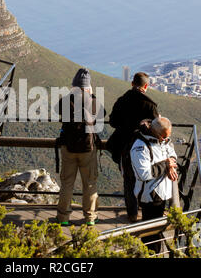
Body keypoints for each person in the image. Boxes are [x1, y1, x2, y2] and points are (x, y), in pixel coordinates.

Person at [106, 72, 159, 222]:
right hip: (143, 149)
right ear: (146, 86)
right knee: (145, 178)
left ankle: (132, 214)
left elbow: (113, 122)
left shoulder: (122, 100)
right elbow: (157, 128)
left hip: (124, 147)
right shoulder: (150, 105)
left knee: (128, 181)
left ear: (132, 83)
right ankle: (147, 215)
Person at [55, 68, 105, 226]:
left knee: (67, 183)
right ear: (88, 86)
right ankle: (90, 218)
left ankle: (63, 218)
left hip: (68, 148)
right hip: (88, 149)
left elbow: (57, 110)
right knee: (89, 184)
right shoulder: (93, 101)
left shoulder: (66, 100)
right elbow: (102, 114)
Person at [130, 117, 178, 253]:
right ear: (155, 132)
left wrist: (171, 166)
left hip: (162, 193)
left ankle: (152, 253)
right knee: (151, 234)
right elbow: (144, 174)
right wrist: (166, 164)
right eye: (164, 137)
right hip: (149, 196)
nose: (166, 139)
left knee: (156, 230)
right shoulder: (140, 146)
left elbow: (172, 155)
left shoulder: (164, 141)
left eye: (168, 136)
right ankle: (150, 254)